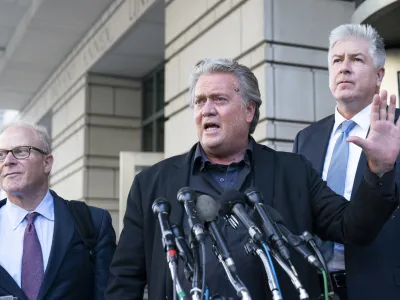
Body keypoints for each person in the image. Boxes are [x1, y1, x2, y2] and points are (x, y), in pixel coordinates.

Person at [105, 58, 400, 300]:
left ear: (249, 110)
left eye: (219, 99)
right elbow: (125, 279)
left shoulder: (293, 171)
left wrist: (379, 170)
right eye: (200, 102)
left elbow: (353, 227)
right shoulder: (151, 184)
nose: (207, 110)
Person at [293, 24, 400, 300]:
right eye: (337, 60)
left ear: (379, 75)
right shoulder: (306, 139)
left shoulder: (397, 127)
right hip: (318, 289)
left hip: (383, 287)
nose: (344, 67)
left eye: (356, 59)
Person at [0, 122, 116, 300]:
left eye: (21, 151)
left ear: (47, 163)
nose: (8, 161)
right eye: (1, 154)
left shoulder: (92, 222)